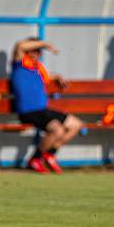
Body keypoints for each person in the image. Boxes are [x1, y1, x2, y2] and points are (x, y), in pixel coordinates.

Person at [10, 38, 84, 174]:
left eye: (38, 51)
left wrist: (58, 77)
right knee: (57, 129)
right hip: (28, 111)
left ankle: (49, 154)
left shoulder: (37, 69)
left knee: (76, 125)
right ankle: (34, 159)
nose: (35, 54)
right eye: (32, 50)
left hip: (42, 111)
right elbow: (20, 45)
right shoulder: (19, 64)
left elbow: (49, 76)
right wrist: (45, 44)